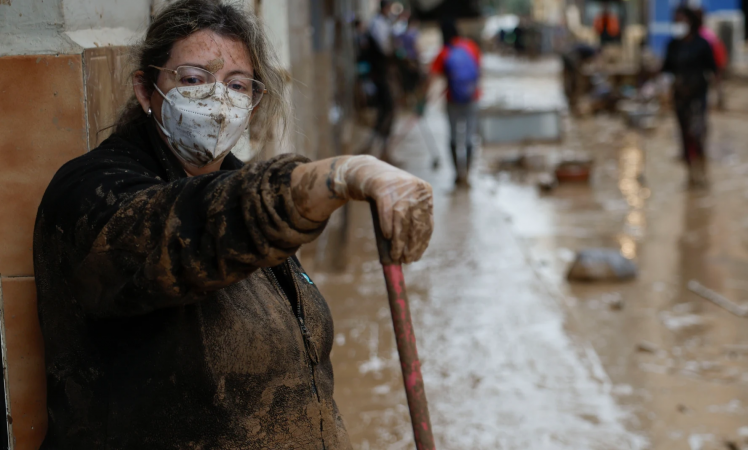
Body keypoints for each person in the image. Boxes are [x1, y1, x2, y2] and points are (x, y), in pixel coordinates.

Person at [32, 1, 434, 448]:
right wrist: (327, 180)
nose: (218, 100)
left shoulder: (240, 184)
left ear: (254, 103)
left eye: (236, 85)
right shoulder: (90, 192)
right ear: (146, 90)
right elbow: (177, 234)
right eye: (192, 80)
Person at [662, 5, 718, 188]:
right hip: (679, 97)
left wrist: (719, 93)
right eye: (676, 21)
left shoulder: (702, 44)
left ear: (690, 22)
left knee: (698, 132)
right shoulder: (672, 45)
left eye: (682, 21)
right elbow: (666, 70)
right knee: (684, 134)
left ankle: (701, 170)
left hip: (698, 95)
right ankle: (690, 175)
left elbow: (713, 69)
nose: (679, 25)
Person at [421, 19, 481, 186]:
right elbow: (478, 73)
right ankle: (467, 174)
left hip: (452, 100)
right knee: (469, 136)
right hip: (473, 97)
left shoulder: (444, 52)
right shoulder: (471, 47)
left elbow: (431, 77)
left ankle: (458, 174)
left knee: (454, 136)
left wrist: (423, 100)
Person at [361, 0, 396, 158]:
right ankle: (377, 148)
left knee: (387, 109)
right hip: (378, 73)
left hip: (381, 72)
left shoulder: (382, 23)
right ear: (385, 8)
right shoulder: (378, 24)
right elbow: (385, 48)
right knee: (387, 108)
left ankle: (381, 148)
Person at [696, 7, 728, 109]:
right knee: (717, 81)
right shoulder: (707, 32)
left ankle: (717, 102)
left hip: (713, 60)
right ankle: (719, 101)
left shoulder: (703, 34)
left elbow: (715, 49)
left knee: (712, 81)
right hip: (715, 59)